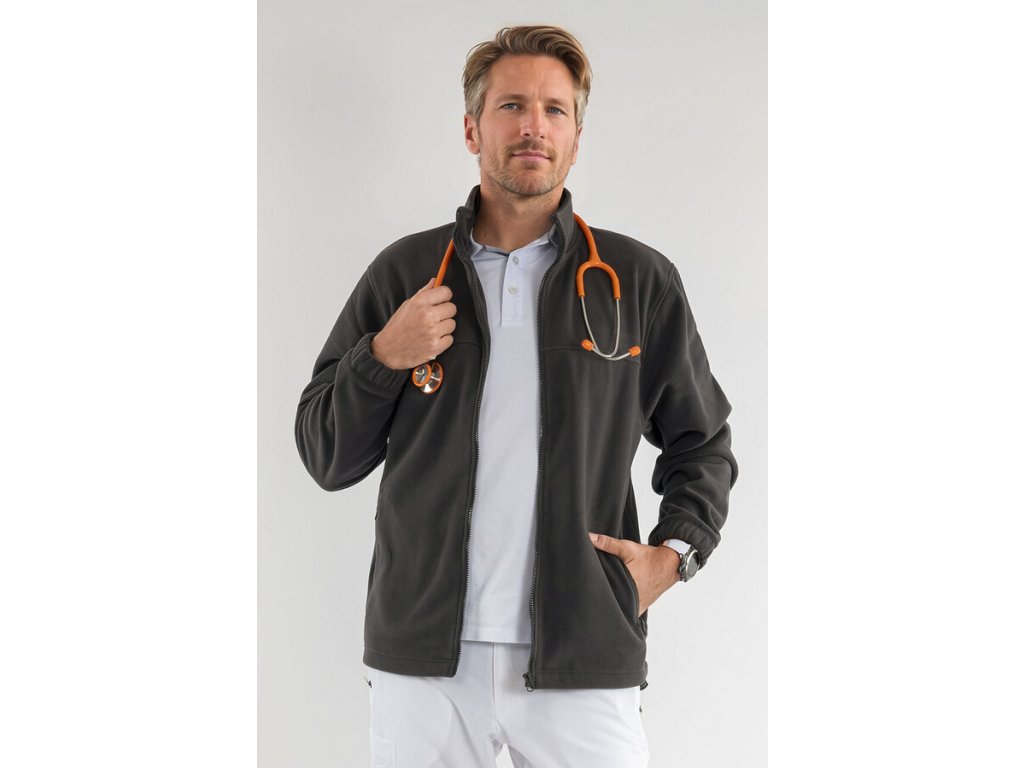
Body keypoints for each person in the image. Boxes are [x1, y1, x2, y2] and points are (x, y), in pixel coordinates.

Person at [295, 25, 737, 768]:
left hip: (584, 650)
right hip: (424, 662)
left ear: (576, 138)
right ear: (473, 129)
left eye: (554, 109)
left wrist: (673, 557)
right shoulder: (406, 273)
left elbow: (704, 443)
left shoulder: (636, 282)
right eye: (511, 106)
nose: (534, 125)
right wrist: (383, 356)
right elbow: (325, 454)